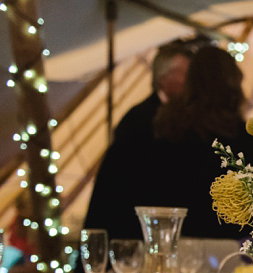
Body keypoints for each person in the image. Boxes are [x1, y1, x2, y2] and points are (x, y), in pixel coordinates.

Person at [150, 45, 253, 239]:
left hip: (178, 239)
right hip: (229, 244)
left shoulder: (169, 126)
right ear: (233, 82)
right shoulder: (238, 133)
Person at [83, 40, 194, 238]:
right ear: (163, 78)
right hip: (130, 224)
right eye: (184, 74)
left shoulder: (175, 118)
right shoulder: (142, 118)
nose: (189, 82)